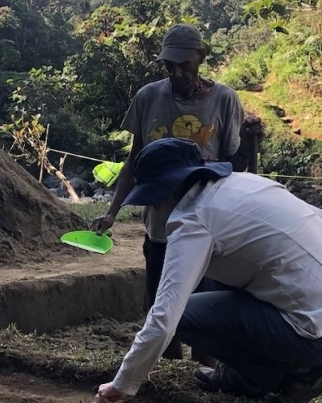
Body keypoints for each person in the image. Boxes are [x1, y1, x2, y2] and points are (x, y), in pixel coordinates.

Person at [92, 138, 322, 403]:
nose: (154, 208)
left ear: (167, 191)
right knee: (218, 274)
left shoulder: (193, 221)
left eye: (153, 199)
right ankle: (260, 373)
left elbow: (164, 318)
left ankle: (288, 376)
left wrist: (122, 384)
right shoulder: (249, 183)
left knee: (183, 315)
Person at [92, 22, 245, 358]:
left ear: (201, 57)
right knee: (161, 300)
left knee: (205, 305)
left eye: (184, 64)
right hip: (160, 225)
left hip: (206, 226)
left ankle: (204, 368)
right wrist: (112, 212)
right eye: (169, 66)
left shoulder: (224, 100)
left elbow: (235, 164)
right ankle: (169, 368)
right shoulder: (148, 97)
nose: (177, 73)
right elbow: (135, 160)